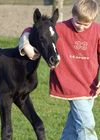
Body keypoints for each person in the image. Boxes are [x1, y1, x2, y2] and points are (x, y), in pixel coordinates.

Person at [18, 0, 100, 139]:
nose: (81, 27)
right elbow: (35, 29)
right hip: (71, 85)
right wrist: (25, 42)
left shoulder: (97, 30)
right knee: (86, 125)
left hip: (89, 85)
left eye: (86, 24)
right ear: (72, 14)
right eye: (78, 22)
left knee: (73, 126)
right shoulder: (60, 28)